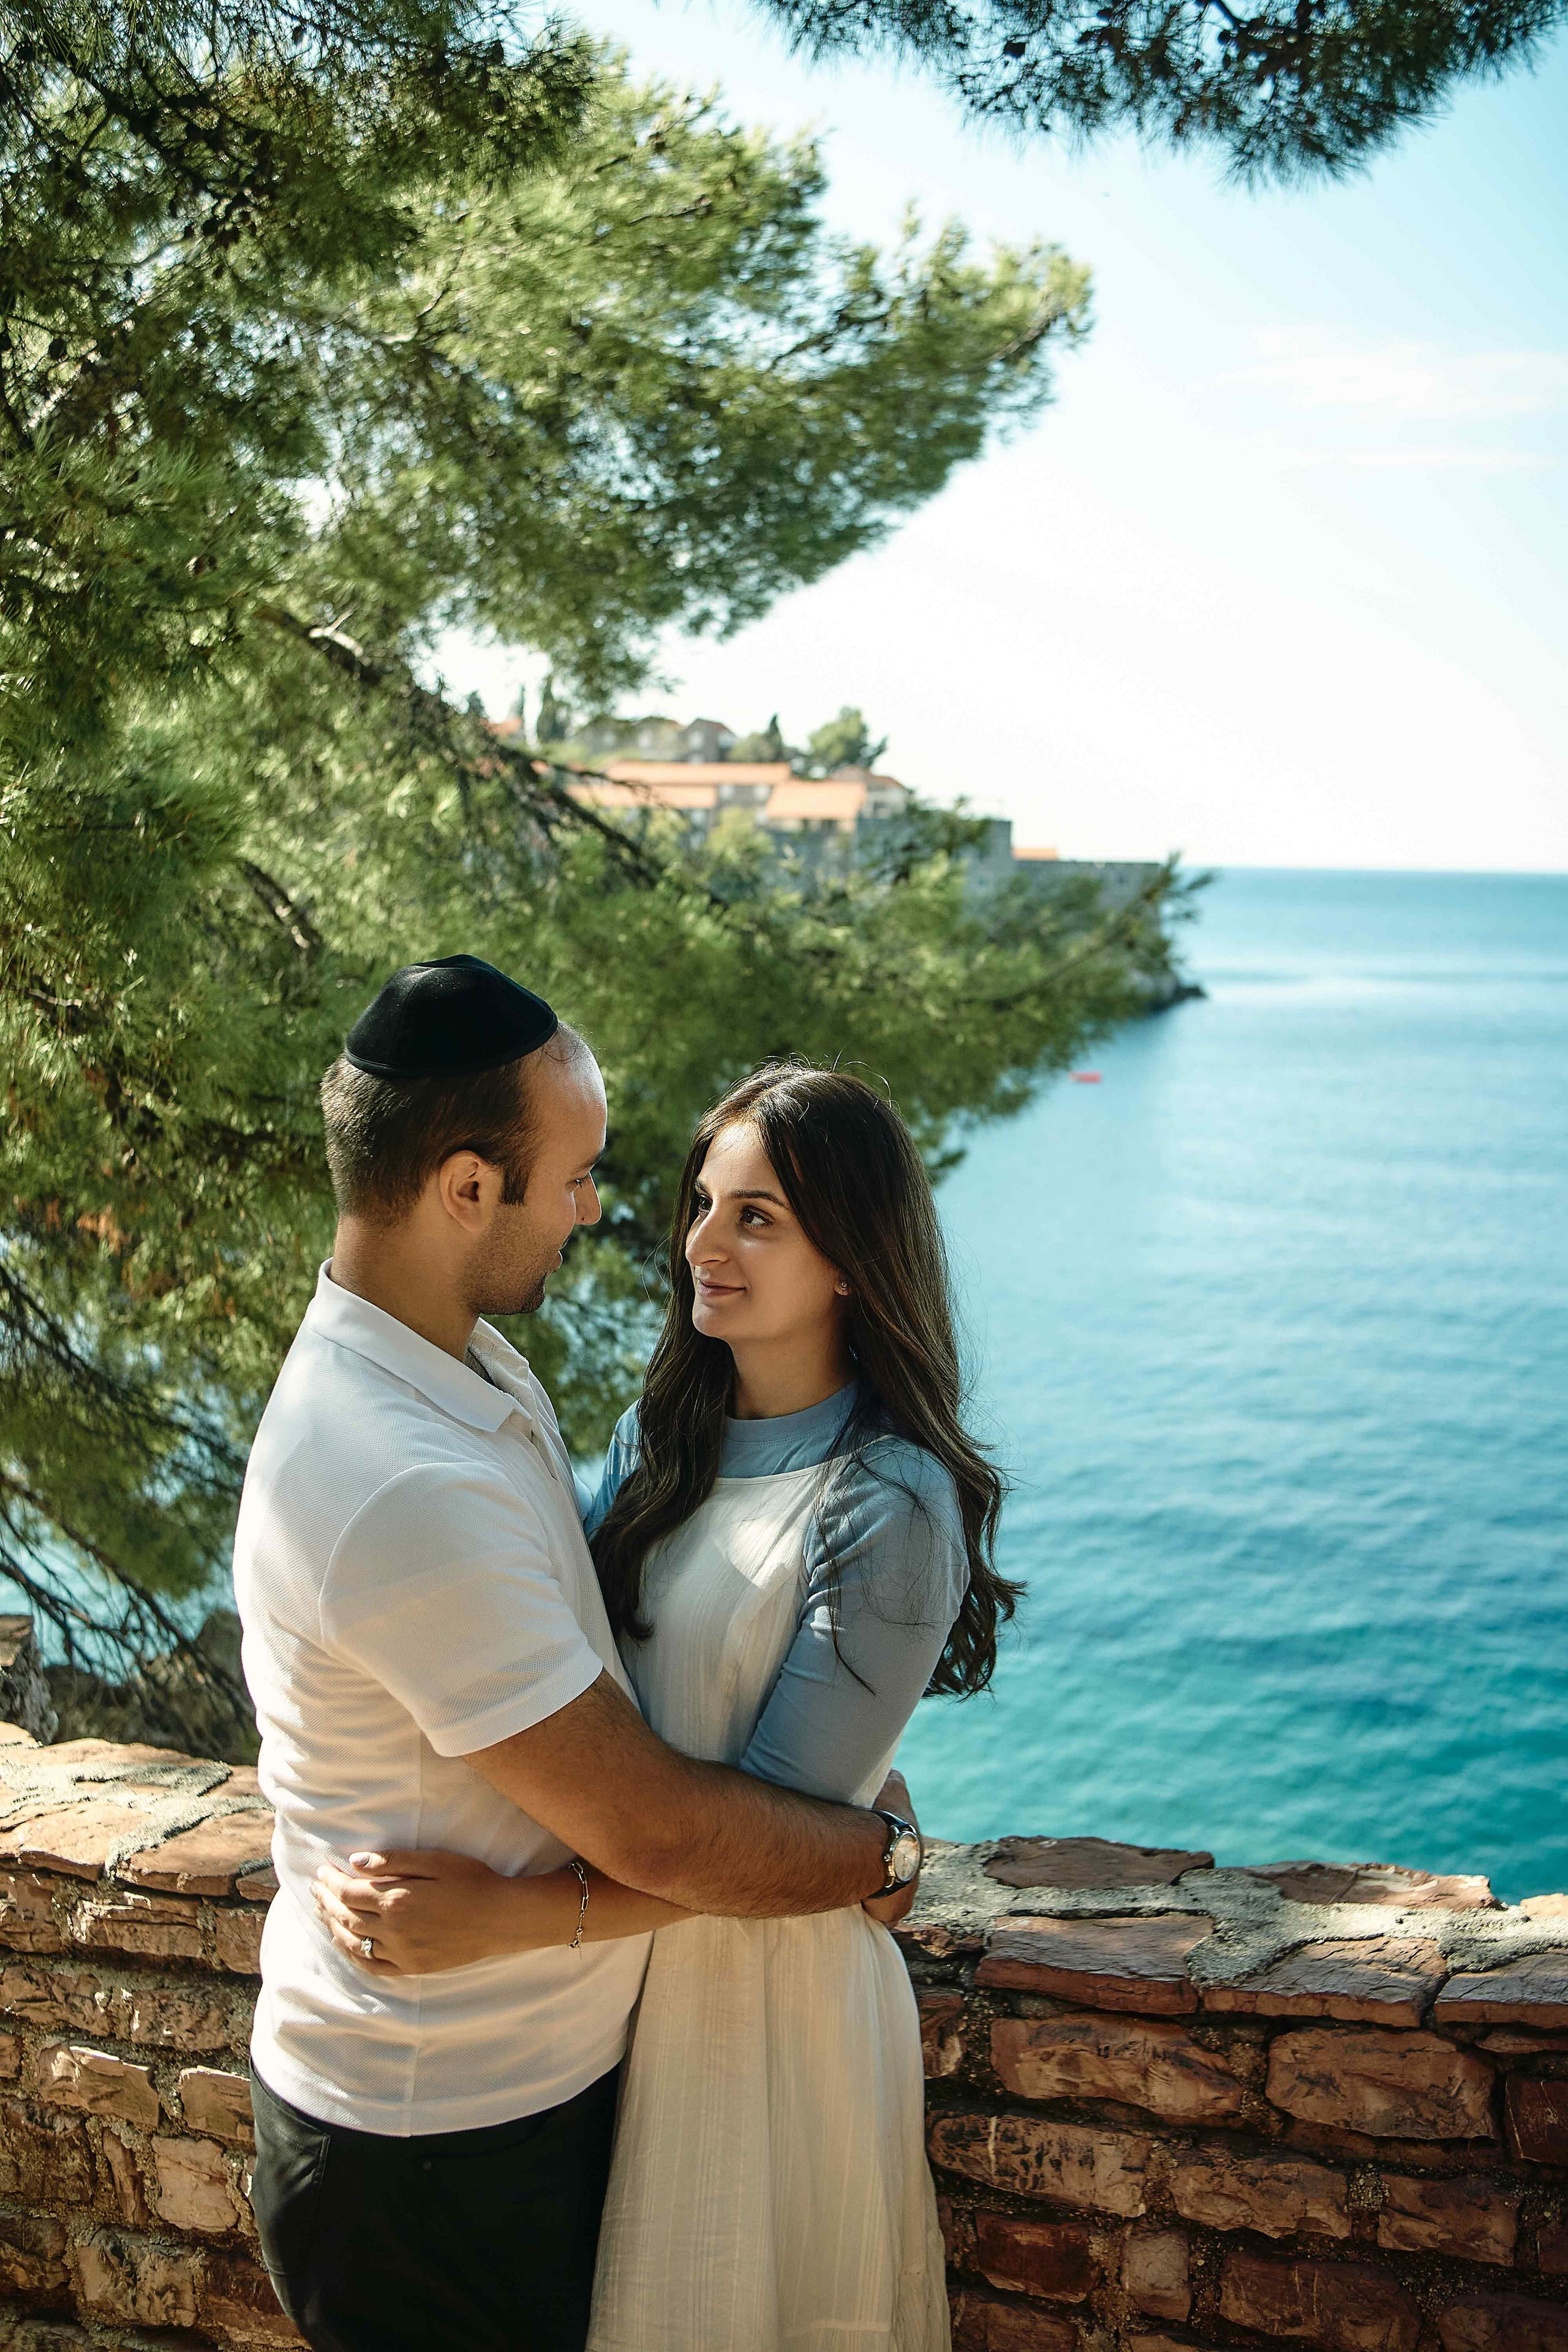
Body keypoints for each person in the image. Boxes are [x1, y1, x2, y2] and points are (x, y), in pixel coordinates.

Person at [234, 960, 921, 2352]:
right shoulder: (397, 1473)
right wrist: (878, 1854)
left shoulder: (471, 1369)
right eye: (574, 1177)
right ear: (467, 1187)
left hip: (552, 2089)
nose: (603, 1212)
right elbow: (657, 1828)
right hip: (437, 2135)